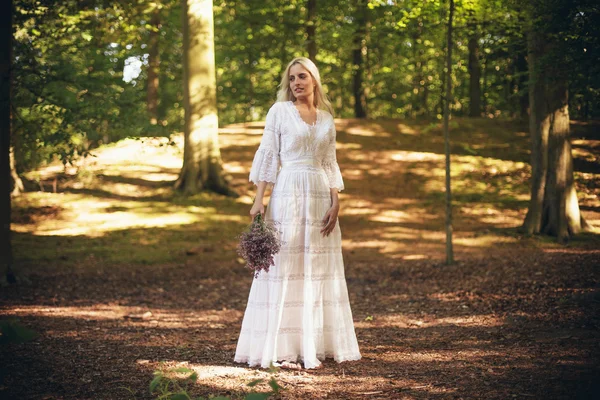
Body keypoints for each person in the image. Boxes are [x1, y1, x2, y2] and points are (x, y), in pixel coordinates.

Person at [234, 57, 361, 370]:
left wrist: (336, 201)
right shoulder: (279, 112)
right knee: (285, 263)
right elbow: (268, 154)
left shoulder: (327, 119)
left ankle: (316, 343)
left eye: (302, 77)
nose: (297, 83)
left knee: (318, 265)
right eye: (291, 79)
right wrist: (259, 199)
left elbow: (330, 162)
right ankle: (279, 344)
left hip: (320, 195)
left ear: (314, 79)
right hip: (288, 192)